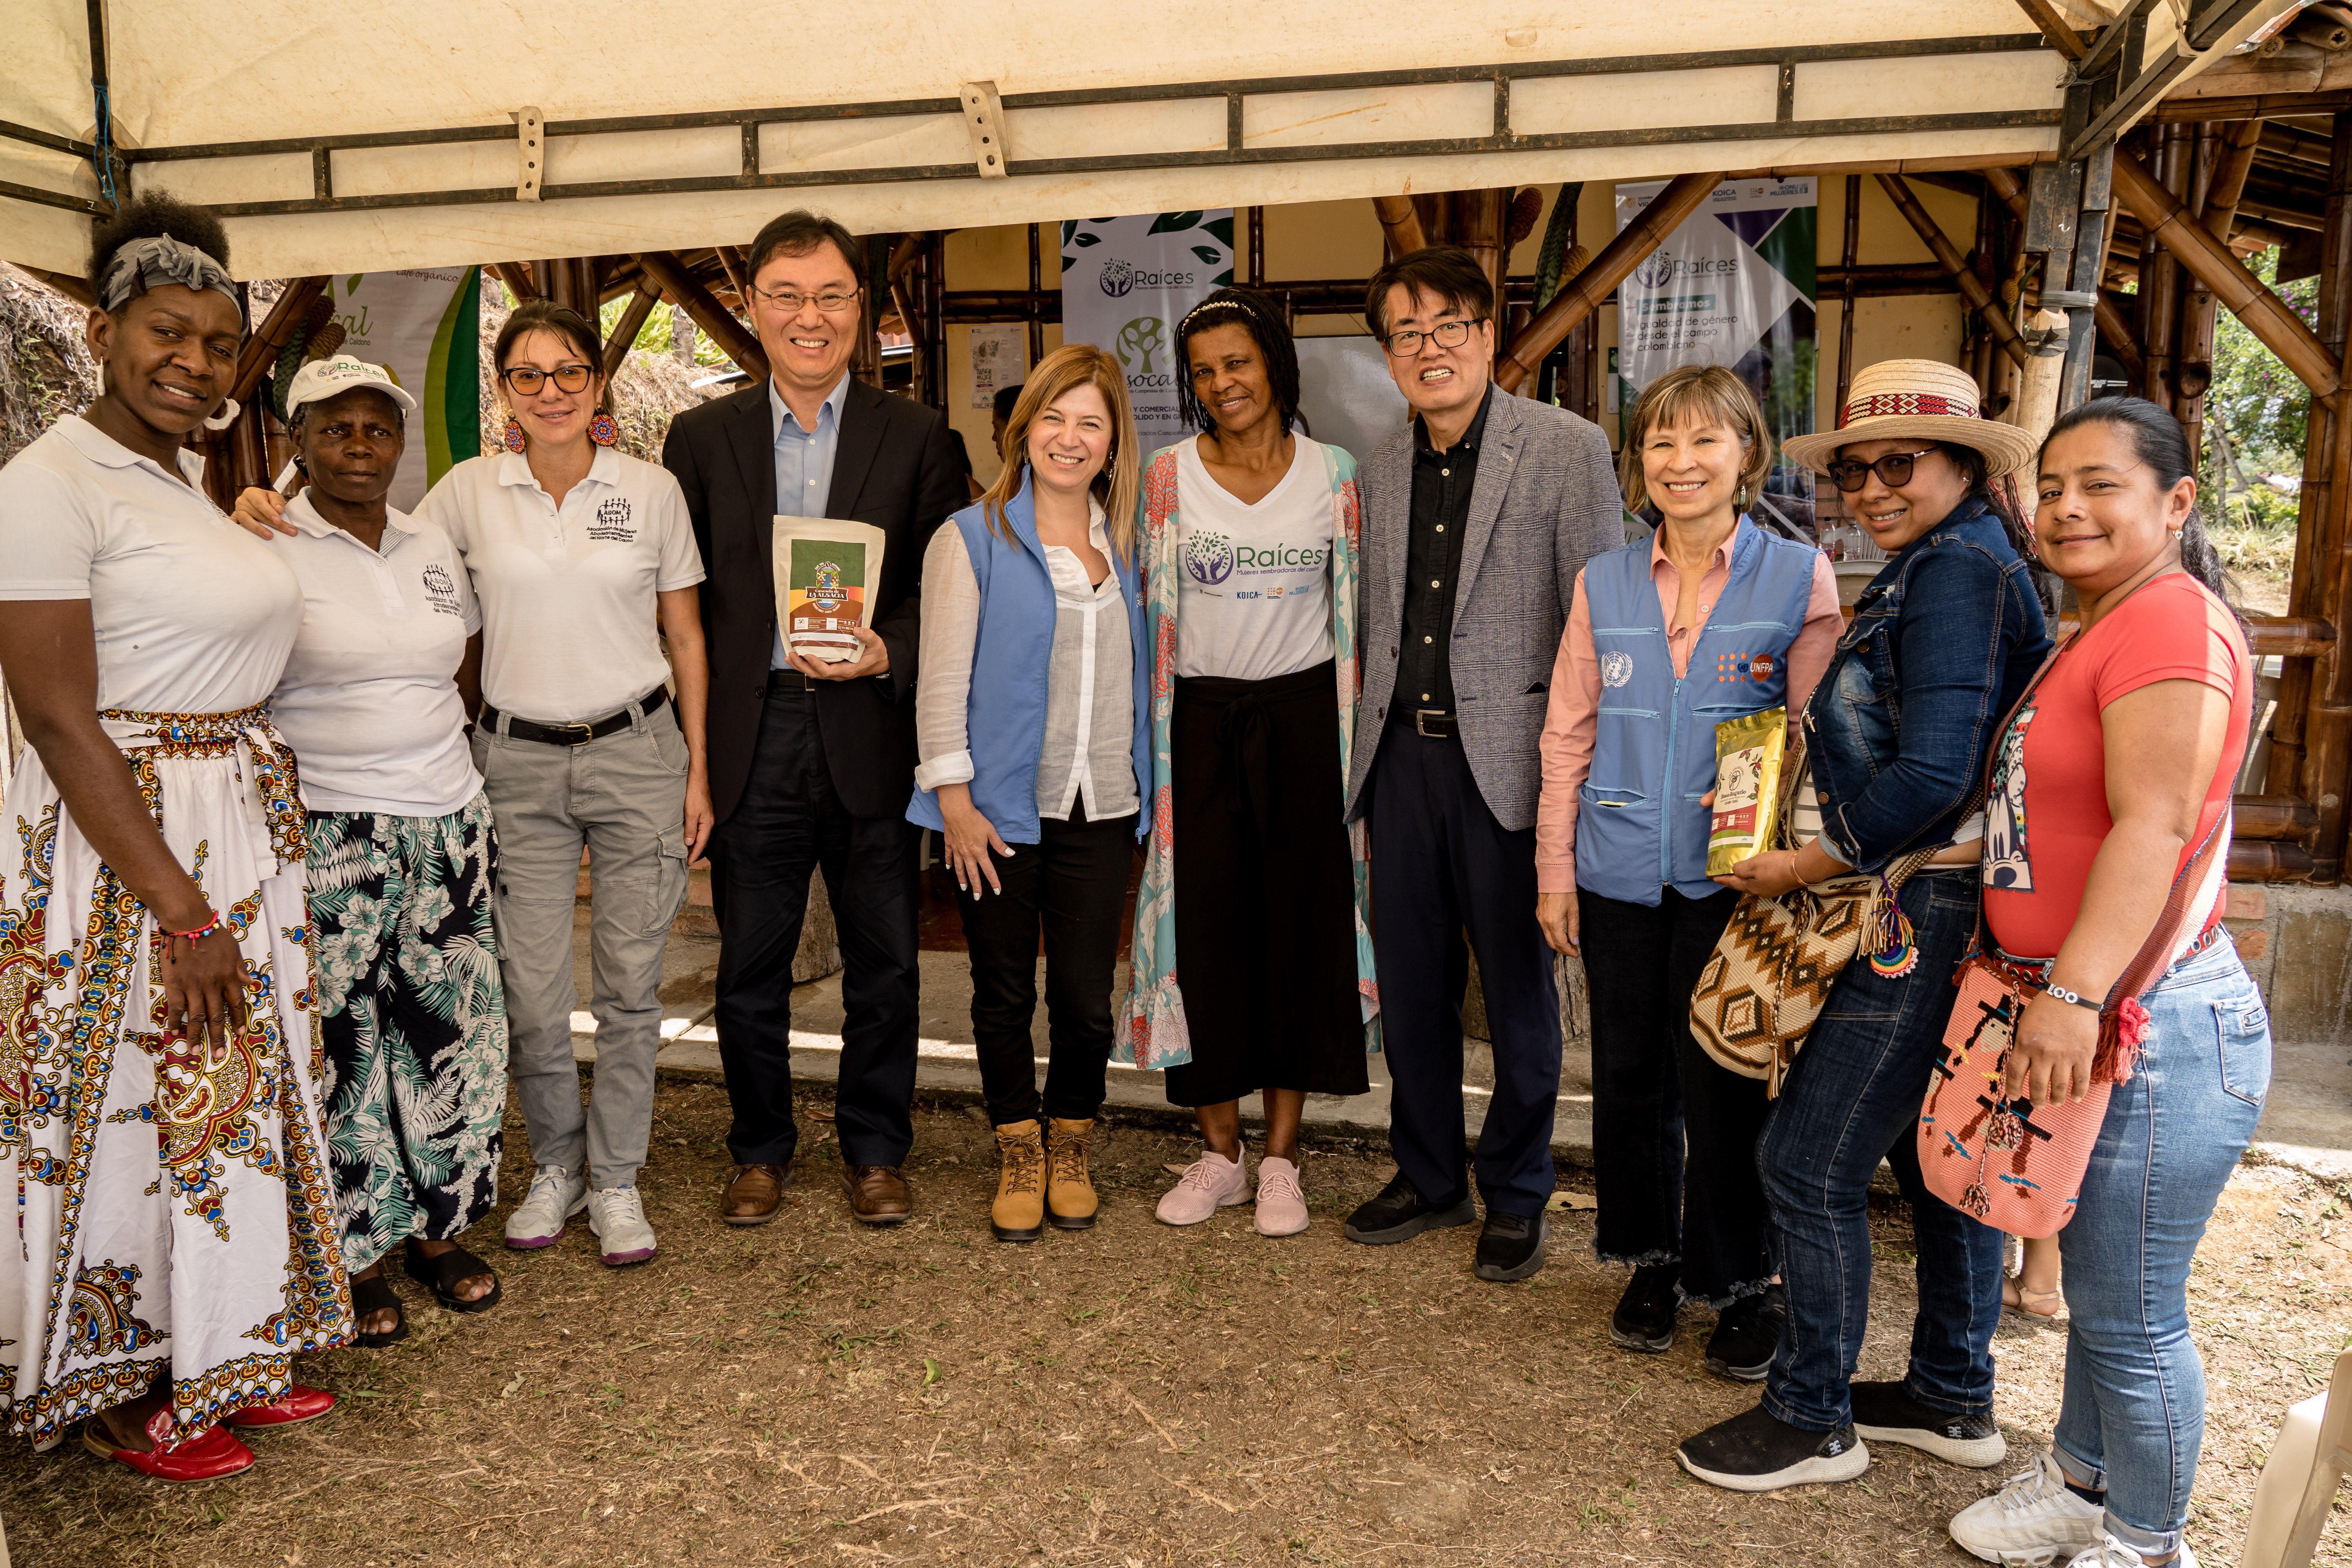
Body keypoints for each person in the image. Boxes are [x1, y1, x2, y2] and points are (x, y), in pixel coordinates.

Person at [238, 299, 714, 1269]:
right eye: (528, 375)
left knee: (629, 988)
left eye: (568, 371)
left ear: (597, 384)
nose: (550, 391)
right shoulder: (463, 493)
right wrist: (260, 504)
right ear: (504, 392)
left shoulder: (652, 489)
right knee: (529, 994)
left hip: (637, 750)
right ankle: (558, 1165)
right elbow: (369, 544)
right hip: (516, 761)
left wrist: (699, 764)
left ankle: (617, 1177)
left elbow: (687, 635)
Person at [0, 194, 347, 1481]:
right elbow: (54, 714)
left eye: (217, 343)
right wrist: (183, 910)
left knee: (221, 1109)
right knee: (128, 1109)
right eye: (168, 333)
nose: (195, 365)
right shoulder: (46, 485)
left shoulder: (182, 479)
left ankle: (219, 1353)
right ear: (102, 329)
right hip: (125, 855)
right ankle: (105, 1381)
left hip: (226, 829)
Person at [1671, 358, 2051, 1489]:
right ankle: (1949, 1392)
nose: (1875, 486)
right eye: (1857, 469)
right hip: (1930, 892)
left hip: (1925, 899)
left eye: (1903, 463)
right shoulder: (1954, 560)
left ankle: (1811, 1416)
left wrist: (1812, 860)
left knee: (1806, 1157)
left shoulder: (1958, 575)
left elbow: (1936, 771)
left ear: (1966, 467)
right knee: (1919, 1154)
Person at [1947, 400, 2268, 1568]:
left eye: (2101, 485)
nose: (2067, 507)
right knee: (2094, 1278)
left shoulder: (2172, 624)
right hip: (2100, 1012)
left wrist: (2073, 995)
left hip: (2152, 1024)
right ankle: (2084, 1484)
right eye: (2052, 487)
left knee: (2132, 1314)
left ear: (2176, 503)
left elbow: (2158, 823)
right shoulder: (2103, 622)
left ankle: (2149, 1541)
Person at [661, 210, 964, 1228]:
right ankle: (760, 1149)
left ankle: (877, 1149)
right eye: (786, 295)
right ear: (752, 310)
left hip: (869, 724)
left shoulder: (917, 435)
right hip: (759, 731)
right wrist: (691, 755)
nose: (809, 316)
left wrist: (893, 649)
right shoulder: (701, 441)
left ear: (861, 312)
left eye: (831, 295)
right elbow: (681, 603)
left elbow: (940, 589)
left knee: (885, 957)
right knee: (753, 958)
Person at [1535, 365, 1842, 1371]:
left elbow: (1819, 738)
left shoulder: (1798, 578)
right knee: (1628, 1075)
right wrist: (1553, 868)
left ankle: (1741, 1277)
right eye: (1663, 442)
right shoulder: (1605, 580)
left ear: (1746, 454)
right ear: (1639, 463)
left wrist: (1789, 847)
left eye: (1706, 440)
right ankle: (1649, 1256)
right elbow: (1567, 732)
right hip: (1617, 867)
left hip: (1737, 882)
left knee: (1729, 1076)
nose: (1682, 461)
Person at [1342, 245, 1622, 1283]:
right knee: (1411, 986)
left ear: (1490, 336)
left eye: (1449, 326)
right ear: (1388, 354)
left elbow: (1598, 628)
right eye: (1407, 334)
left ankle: (1516, 1186)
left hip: (1514, 764)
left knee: (1519, 997)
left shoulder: (1566, 449)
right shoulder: (1374, 465)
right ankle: (1427, 1173)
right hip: (1400, 763)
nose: (1430, 350)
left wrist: (1577, 785)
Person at [265, 356, 509, 1346]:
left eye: (377, 430)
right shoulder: (267, 543)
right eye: (335, 430)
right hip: (336, 828)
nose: (359, 447)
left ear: (400, 442)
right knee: (348, 1043)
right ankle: (359, 1247)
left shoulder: (429, 541)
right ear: (296, 441)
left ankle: (438, 1230)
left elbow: (470, 656)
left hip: (449, 815)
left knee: (447, 1027)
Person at [1124, 289, 1377, 1238]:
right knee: (1208, 931)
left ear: (1273, 360)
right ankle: (1218, 1153)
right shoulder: (1166, 476)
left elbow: (1354, 613)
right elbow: (1149, 616)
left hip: (1310, 720)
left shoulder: (1334, 473)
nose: (1223, 383)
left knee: (1299, 933)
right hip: (1198, 722)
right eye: (1203, 371)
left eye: (1238, 361)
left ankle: (1280, 1159)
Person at [909, 346, 1148, 1241]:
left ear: (1114, 439)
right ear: (1023, 429)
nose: (1070, 437)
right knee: (1004, 990)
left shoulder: (1128, 544)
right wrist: (955, 802)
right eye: (1054, 417)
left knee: (1088, 998)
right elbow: (940, 683)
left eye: (1091, 421)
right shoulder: (970, 538)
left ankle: (1073, 1136)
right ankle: (1018, 1143)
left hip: (1104, 802)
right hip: (999, 810)